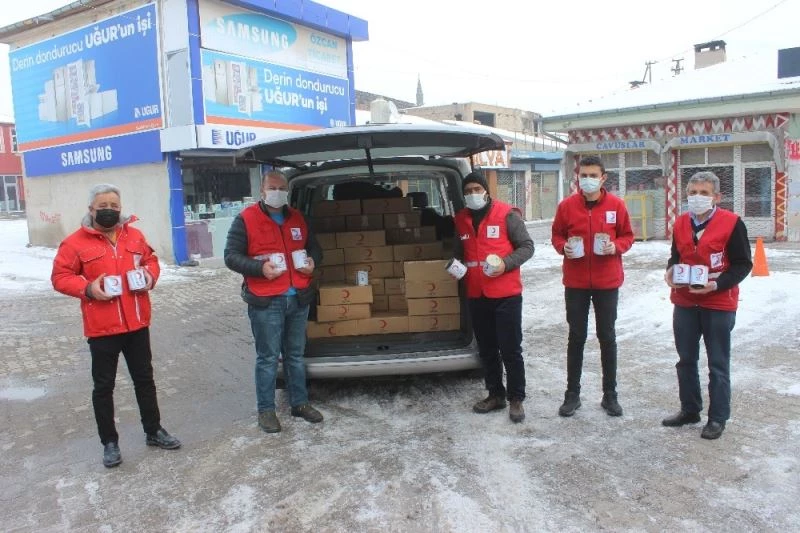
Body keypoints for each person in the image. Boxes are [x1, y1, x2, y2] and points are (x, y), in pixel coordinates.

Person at [51, 184, 181, 468]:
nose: (109, 210)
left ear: (120, 209)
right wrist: (87, 288)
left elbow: (151, 261)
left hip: (137, 323)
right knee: (103, 387)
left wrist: (149, 277)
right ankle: (109, 442)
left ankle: (153, 430)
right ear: (91, 210)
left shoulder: (133, 236)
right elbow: (60, 277)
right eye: (103, 206)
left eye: (114, 205)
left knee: (145, 380)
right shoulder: (75, 243)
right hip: (102, 329)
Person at [224, 170, 323, 433]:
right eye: (273, 187)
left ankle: (299, 403)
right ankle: (266, 410)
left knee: (295, 355)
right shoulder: (246, 219)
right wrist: (259, 269)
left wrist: (313, 262)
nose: (277, 192)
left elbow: (314, 248)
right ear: (262, 191)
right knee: (268, 358)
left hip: (298, 298)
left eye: (282, 188)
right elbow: (231, 256)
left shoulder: (298, 218)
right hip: (266, 301)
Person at [662, 171, 752, 440]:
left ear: (717, 197)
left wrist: (717, 284)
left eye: (704, 193)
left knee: (717, 363)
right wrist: (670, 272)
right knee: (686, 360)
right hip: (686, 302)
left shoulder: (732, 223)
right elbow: (676, 256)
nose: (697, 198)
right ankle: (690, 409)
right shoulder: (680, 223)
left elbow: (743, 264)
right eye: (692, 192)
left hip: (718, 302)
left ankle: (718, 417)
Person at [551, 155, 634, 418]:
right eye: (583, 175)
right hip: (575, 283)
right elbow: (556, 234)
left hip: (606, 282)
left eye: (592, 175)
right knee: (576, 337)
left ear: (603, 178)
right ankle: (572, 394)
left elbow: (628, 236)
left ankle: (610, 395)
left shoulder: (617, 205)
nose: (587, 180)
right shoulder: (566, 206)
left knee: (607, 337)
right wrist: (562, 247)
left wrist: (616, 246)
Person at [453, 172, 534, 423]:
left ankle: (516, 398)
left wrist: (505, 264)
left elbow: (527, 247)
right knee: (487, 349)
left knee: (510, 349)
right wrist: (454, 266)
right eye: (467, 191)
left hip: (506, 294)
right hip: (477, 294)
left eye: (477, 189)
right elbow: (460, 252)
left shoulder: (507, 214)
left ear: (486, 191)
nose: (472, 194)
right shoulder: (461, 219)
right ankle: (495, 394)